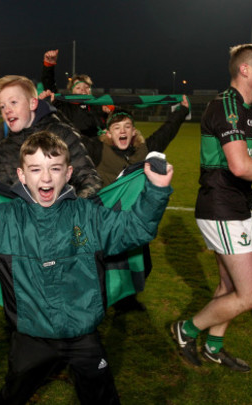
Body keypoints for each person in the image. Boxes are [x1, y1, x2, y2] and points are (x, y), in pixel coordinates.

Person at [0, 131, 174, 404]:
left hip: (83, 337)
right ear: (22, 175)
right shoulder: (2, 220)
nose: (45, 178)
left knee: (102, 398)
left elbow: (137, 229)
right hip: (30, 337)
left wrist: (156, 189)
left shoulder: (90, 216)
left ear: (68, 173)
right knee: (12, 396)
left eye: (55, 168)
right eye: (35, 169)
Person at [171, 43, 252, 372]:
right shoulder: (227, 107)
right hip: (222, 207)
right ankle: (186, 330)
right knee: (251, 295)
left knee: (228, 287)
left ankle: (213, 347)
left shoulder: (246, 109)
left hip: (235, 206)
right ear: (245, 69)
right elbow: (240, 166)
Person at [82, 100, 190, 311]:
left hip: (133, 220)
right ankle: (102, 299)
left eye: (127, 127)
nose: (122, 131)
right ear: (109, 132)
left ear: (133, 131)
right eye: (116, 127)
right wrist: (47, 109)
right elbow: (68, 136)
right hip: (106, 219)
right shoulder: (96, 149)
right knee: (103, 263)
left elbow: (167, 130)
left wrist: (182, 110)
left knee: (144, 265)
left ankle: (125, 300)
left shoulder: (145, 150)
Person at [0, 74, 102, 198]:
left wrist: (72, 210)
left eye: (13, 102)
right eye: (2, 106)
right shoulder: (4, 149)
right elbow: (3, 195)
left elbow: (89, 180)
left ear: (32, 104)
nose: (7, 110)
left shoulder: (63, 134)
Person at [40, 49, 111, 138]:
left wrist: (110, 111)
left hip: (95, 147)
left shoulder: (99, 106)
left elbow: (117, 118)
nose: (83, 90)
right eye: (78, 88)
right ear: (72, 91)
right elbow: (49, 86)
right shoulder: (64, 106)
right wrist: (49, 65)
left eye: (86, 87)